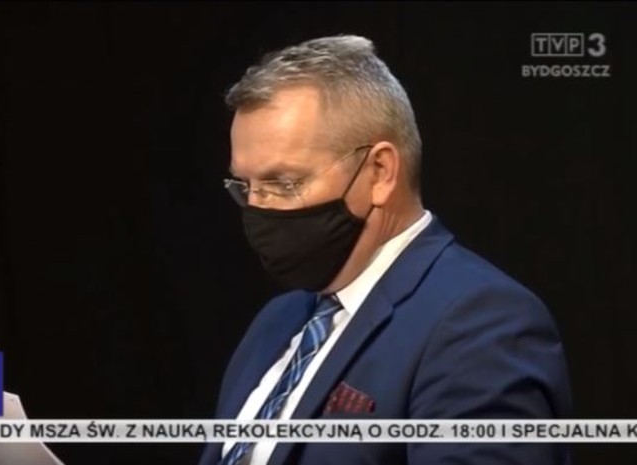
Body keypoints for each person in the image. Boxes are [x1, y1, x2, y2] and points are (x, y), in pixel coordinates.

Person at [198, 34, 572, 465]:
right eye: (245, 186)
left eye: (284, 183)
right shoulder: (276, 323)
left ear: (379, 172)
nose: (258, 207)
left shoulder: (482, 323)